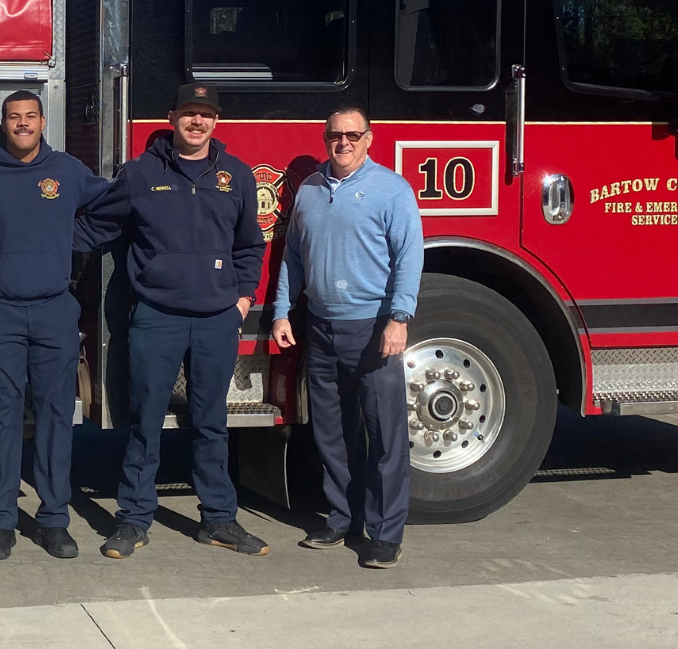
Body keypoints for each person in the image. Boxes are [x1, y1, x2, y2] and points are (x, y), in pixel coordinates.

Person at [76, 83, 270, 560]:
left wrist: (242, 301)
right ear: (172, 117)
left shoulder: (236, 176)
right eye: (188, 113)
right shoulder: (141, 174)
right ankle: (133, 520)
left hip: (216, 320)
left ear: (216, 122)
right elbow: (92, 224)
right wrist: (35, 243)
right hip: (156, 317)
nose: (196, 122)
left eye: (205, 114)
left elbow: (250, 246)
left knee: (211, 422)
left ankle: (220, 519)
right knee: (144, 422)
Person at [0, 90, 109, 560]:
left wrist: (71, 240)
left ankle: (53, 519)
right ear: (3, 123)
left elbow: (114, 207)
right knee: (1, 416)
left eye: (30, 116)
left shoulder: (67, 171)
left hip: (53, 309)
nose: (22, 124)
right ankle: (0, 519)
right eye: (13, 117)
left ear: (43, 122)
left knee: (55, 415)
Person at [269, 106, 422, 569]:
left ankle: (386, 532)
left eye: (353, 135)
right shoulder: (311, 189)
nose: (344, 143)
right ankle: (342, 518)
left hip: (373, 328)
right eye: (336, 135)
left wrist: (399, 317)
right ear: (325, 138)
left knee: (385, 434)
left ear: (369, 139)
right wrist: (281, 311)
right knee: (332, 433)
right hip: (319, 325)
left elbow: (409, 257)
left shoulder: (391, 190)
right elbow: (293, 258)